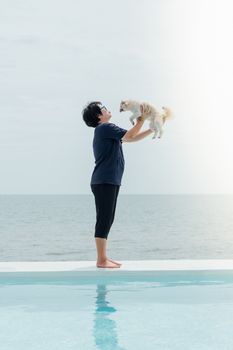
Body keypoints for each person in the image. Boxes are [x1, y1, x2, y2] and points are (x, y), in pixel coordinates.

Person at [82, 101, 154, 268]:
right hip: (104, 181)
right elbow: (129, 135)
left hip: (108, 180)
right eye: (103, 108)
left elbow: (131, 138)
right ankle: (101, 259)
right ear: (99, 116)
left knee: (108, 218)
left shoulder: (107, 131)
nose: (107, 109)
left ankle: (103, 257)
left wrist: (152, 129)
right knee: (104, 219)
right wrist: (141, 119)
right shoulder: (105, 128)